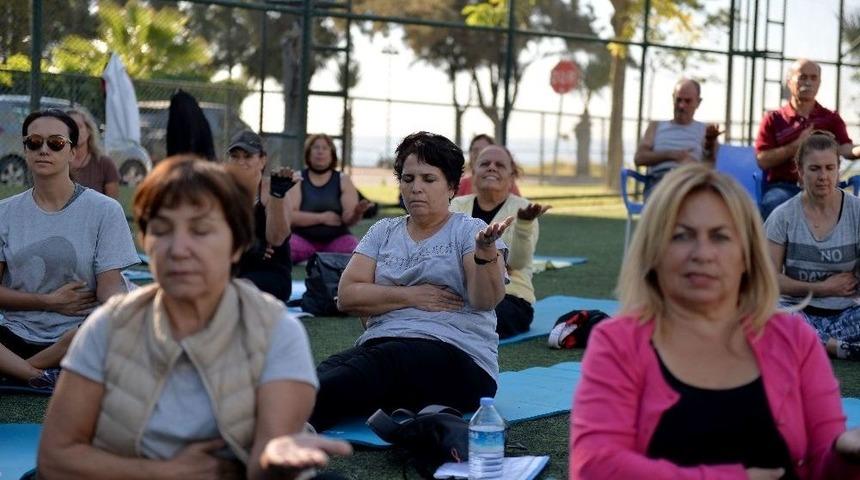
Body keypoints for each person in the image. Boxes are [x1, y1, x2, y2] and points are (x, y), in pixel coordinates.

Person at [37, 157, 343, 479]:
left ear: (236, 245)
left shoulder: (276, 330)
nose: (179, 249)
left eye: (201, 230)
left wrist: (275, 459)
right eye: (162, 229)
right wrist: (165, 473)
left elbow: (268, 451)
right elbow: (56, 458)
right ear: (145, 241)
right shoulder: (109, 326)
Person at [570, 164, 860, 479]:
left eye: (720, 237)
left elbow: (824, 466)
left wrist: (846, 454)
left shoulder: (795, 339)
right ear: (653, 252)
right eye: (681, 236)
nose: (703, 253)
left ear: (748, 255)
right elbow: (595, 466)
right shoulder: (617, 342)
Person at [309, 131, 510, 432]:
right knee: (332, 367)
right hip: (385, 347)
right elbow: (347, 295)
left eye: (429, 180)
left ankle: (286, 416)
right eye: (408, 178)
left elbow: (486, 300)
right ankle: (291, 413)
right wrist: (414, 296)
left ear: (452, 187)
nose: (416, 188)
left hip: (460, 360)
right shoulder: (383, 231)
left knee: (385, 362)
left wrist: (484, 253)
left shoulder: (469, 230)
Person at [0, 109, 137, 389]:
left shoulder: (105, 210)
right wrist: (47, 302)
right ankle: (40, 376)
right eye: (34, 143)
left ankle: (19, 371)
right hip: (15, 334)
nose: (44, 150)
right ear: (25, 150)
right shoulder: (5, 212)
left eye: (56, 143)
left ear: (73, 152)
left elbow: (110, 286)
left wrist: (112, 315)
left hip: (77, 335)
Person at [765, 132, 860, 361]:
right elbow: (769, 280)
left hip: (847, 314)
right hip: (797, 311)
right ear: (799, 171)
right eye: (814, 169)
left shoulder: (856, 212)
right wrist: (824, 288)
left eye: (829, 168)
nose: (823, 176)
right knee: (766, 314)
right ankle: (835, 347)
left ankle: (812, 343)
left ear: (838, 169)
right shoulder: (782, 216)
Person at [450, 145, 549, 338]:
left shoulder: (524, 209)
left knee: (474, 320)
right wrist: (497, 263)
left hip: (510, 297)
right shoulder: (456, 205)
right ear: (474, 172)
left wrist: (524, 225)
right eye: (485, 163)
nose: (492, 167)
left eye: (500, 165)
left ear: (512, 176)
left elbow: (517, 263)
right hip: (460, 293)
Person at [756, 59, 860, 218]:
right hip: (784, 187)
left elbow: (845, 148)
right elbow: (762, 160)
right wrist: (796, 146)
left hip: (826, 187)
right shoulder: (773, 119)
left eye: (813, 78)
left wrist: (857, 150)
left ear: (819, 82)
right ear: (789, 82)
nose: (808, 82)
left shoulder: (830, 118)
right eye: (803, 77)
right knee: (774, 205)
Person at [225, 130, 298, 302]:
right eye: (235, 156)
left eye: (248, 156)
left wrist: (277, 196)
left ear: (262, 160)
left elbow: (277, 238)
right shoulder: (222, 191)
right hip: (232, 271)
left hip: (269, 274)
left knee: (234, 290)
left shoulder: (271, 190)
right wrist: (249, 247)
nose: (241, 162)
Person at [288, 133, 373, 264]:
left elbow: (348, 219)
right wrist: (323, 217)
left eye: (324, 148)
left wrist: (357, 212)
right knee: (284, 249)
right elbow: (291, 217)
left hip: (336, 240)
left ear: (331, 154)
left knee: (356, 252)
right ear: (308, 153)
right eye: (316, 148)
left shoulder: (343, 180)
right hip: (302, 239)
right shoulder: (297, 178)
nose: (320, 152)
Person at [634, 78, 720, 196]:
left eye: (687, 101)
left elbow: (712, 167)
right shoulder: (656, 126)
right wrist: (672, 155)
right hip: (660, 182)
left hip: (692, 183)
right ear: (672, 98)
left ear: (698, 102)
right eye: (678, 100)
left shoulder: (706, 131)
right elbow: (639, 158)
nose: (681, 106)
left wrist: (710, 147)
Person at [66, 108, 120, 199]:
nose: (75, 130)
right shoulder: (58, 163)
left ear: (88, 131)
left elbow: (113, 206)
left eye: (79, 126)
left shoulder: (105, 164)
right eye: (70, 127)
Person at [456, 133, 521, 197]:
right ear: (470, 154)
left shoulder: (508, 185)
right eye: (475, 150)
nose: (479, 154)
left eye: (484, 150)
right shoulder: (462, 184)